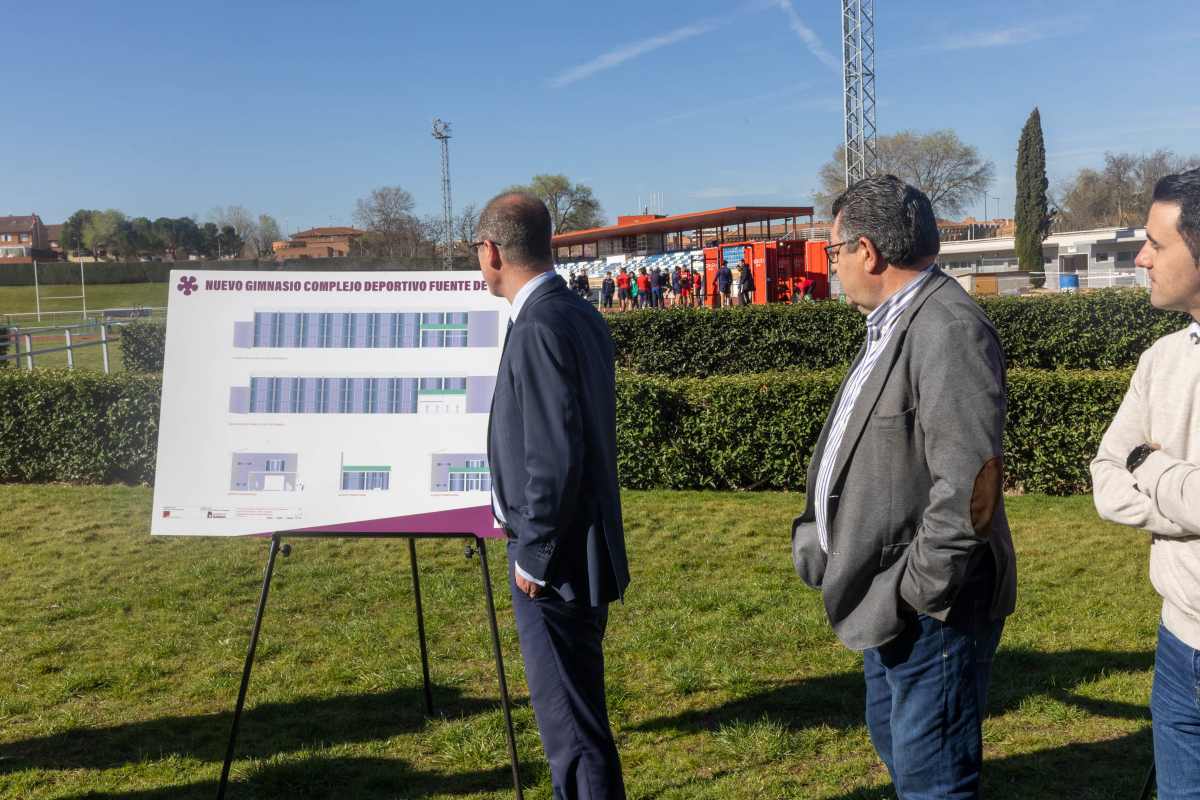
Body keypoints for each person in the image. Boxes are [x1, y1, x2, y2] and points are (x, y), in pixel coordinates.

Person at [791, 175, 1016, 799]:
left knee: (932, 779)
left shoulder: (945, 327)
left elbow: (972, 484)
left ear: (868, 252)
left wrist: (916, 591)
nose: (831, 265)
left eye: (834, 250)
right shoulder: (894, 320)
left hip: (928, 610)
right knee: (902, 750)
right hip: (887, 597)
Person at [475, 191, 630, 799]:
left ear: (491, 251)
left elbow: (552, 453)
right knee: (579, 716)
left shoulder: (538, 325)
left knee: (569, 729)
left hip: (556, 560)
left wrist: (532, 555)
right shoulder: (576, 311)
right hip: (580, 548)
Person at [1091, 168, 1200, 800]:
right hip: (1178, 644)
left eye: (1157, 245)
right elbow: (1106, 479)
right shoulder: (1161, 358)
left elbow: (1131, 467)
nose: (1141, 258)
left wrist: (1151, 467)